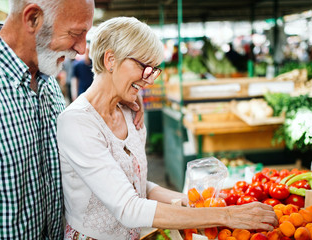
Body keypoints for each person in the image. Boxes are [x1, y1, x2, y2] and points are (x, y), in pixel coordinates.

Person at [57, 17, 278, 240]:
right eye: (143, 67)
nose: (149, 80)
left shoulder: (130, 113)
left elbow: (137, 185)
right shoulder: (77, 123)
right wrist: (226, 215)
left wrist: (187, 201)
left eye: (153, 70)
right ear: (111, 60)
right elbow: (128, 207)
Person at [0, 0, 143, 239]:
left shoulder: (48, 80)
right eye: (75, 34)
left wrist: (119, 96)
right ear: (33, 19)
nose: (83, 49)